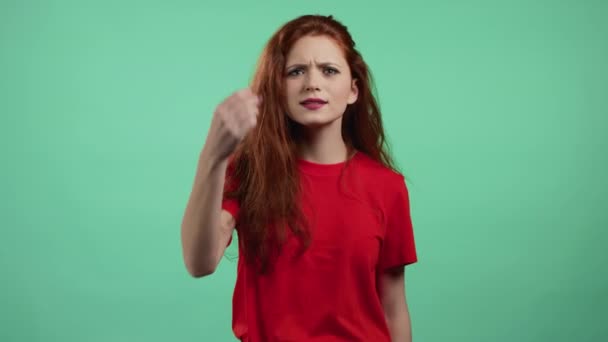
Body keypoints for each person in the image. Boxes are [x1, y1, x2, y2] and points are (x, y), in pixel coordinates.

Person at [181, 14, 418, 342]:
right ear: (278, 88)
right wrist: (212, 158)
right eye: (296, 71)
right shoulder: (249, 172)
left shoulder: (388, 187)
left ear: (353, 90)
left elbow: (393, 308)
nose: (312, 83)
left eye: (329, 70)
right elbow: (199, 262)